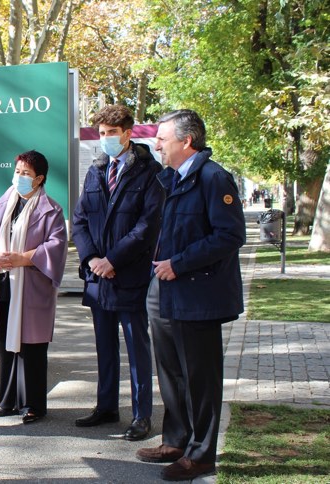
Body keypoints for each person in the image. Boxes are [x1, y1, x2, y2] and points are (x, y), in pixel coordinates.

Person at [135, 110, 245, 481]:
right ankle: (176, 440)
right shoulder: (173, 178)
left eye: (163, 138)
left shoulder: (214, 179)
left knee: (199, 377)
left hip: (196, 294)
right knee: (171, 373)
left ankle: (201, 455)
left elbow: (229, 236)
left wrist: (179, 264)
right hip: (164, 292)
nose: (157, 144)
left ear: (187, 141)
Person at [72, 105, 164, 441]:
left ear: (128, 133)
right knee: (104, 345)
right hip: (98, 279)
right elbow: (80, 220)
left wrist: (112, 260)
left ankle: (142, 415)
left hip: (130, 276)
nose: (106, 138)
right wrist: (93, 259)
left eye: (112, 132)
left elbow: (147, 227)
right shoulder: (96, 171)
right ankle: (106, 406)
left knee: (137, 348)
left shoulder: (150, 173)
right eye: (102, 133)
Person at [0, 150, 67, 424]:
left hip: (32, 285)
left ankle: (33, 404)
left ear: (39, 179)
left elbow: (56, 246)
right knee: (5, 342)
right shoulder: (3, 203)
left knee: (32, 346)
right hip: (4, 283)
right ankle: (8, 400)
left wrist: (23, 259)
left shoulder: (51, 209)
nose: (19, 177)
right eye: (18, 172)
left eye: (26, 173)